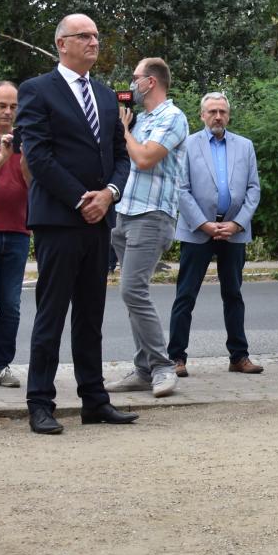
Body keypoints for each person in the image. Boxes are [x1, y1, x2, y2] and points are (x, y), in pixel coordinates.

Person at [19, 13, 138, 434]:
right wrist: (78, 199)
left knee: (91, 314)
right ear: (61, 43)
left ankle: (94, 399)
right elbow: (37, 155)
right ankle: (40, 402)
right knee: (51, 313)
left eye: (96, 35)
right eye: (83, 36)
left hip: (99, 220)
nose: (93, 42)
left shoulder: (108, 98)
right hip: (58, 219)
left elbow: (121, 158)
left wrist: (109, 195)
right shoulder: (36, 91)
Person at [104, 58, 189, 398]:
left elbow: (144, 158)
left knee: (132, 291)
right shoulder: (137, 120)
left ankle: (163, 366)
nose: (131, 84)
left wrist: (124, 131)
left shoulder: (172, 117)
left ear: (151, 82)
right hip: (125, 212)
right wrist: (122, 127)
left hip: (152, 215)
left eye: (135, 78)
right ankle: (142, 369)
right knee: (132, 294)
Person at [167, 92, 263, 377]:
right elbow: (180, 188)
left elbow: (253, 189)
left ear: (229, 115)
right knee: (186, 295)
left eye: (222, 111)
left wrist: (237, 223)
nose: (217, 116)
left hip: (233, 231)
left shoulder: (244, 146)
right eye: (212, 111)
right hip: (198, 231)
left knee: (233, 294)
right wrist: (203, 224)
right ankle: (176, 358)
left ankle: (238, 356)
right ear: (202, 115)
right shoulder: (187, 145)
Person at [0, 80, 29, 389]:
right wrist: (3, 155)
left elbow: (32, 181)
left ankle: (4, 365)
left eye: (13, 106)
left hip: (18, 231)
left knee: (11, 304)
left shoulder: (26, 138)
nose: (8, 112)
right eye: (2, 105)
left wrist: (23, 155)